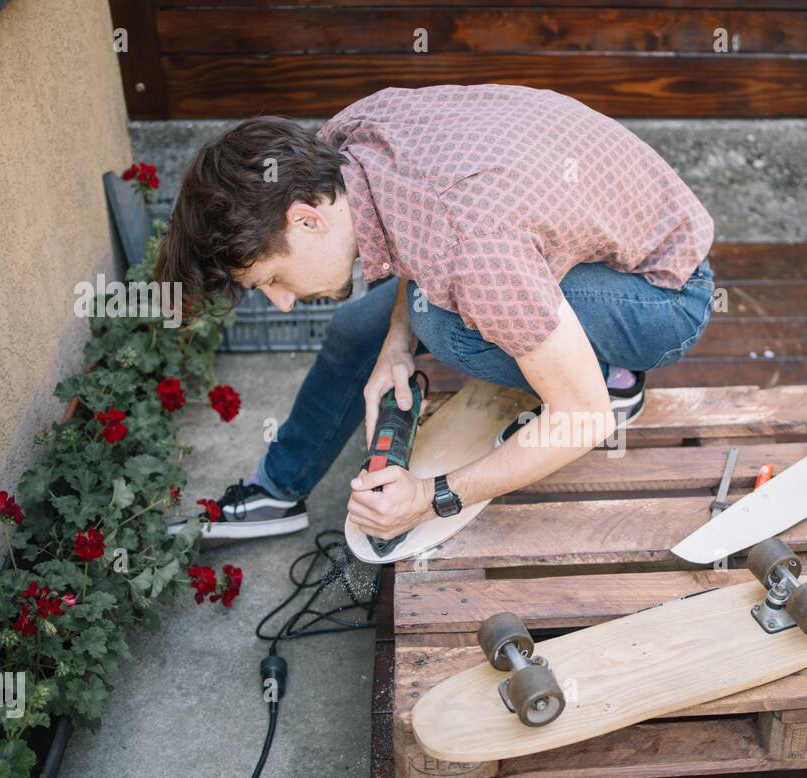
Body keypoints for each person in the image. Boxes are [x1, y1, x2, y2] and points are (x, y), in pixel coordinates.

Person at [157, 84, 715, 543]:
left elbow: (580, 421)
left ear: (306, 220)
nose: (280, 300)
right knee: (366, 327)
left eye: (272, 279)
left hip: (664, 295)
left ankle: (613, 378)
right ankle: (279, 490)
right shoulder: (344, 146)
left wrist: (430, 498)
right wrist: (394, 347)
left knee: (443, 325)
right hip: (575, 232)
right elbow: (418, 233)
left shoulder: (470, 241)